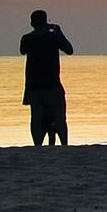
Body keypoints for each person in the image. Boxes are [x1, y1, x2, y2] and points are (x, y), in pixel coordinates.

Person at [20, 9, 74, 145]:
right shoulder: (53, 37)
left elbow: (22, 51)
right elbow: (69, 50)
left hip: (34, 85)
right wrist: (58, 32)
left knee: (36, 118)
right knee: (59, 117)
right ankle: (64, 144)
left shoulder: (27, 38)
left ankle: (37, 145)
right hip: (52, 84)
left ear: (32, 23)